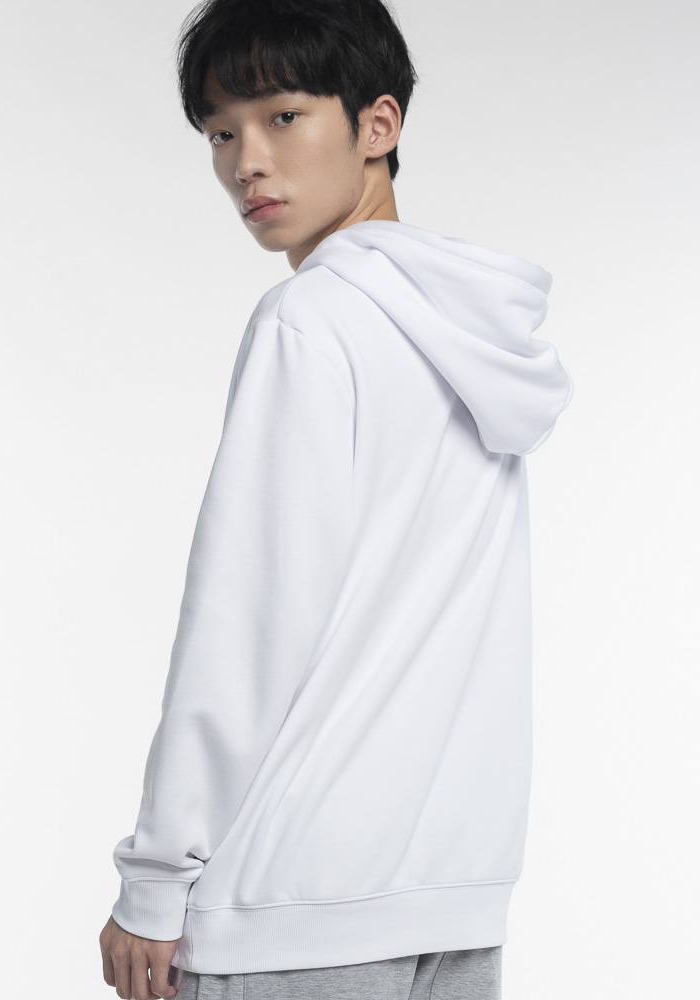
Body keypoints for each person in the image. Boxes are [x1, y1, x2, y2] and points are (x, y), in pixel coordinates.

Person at [99, 1, 574, 997]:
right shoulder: (468, 335)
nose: (246, 164)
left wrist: (155, 876)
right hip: (451, 891)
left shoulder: (309, 321)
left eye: (283, 116)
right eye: (219, 133)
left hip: (290, 902)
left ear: (377, 125)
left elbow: (246, 620)